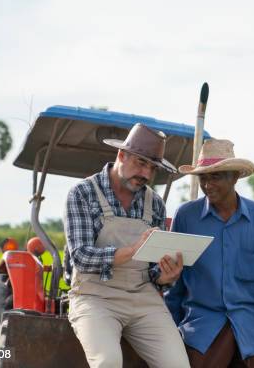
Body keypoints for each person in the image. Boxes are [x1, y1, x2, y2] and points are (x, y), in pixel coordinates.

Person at [64, 123, 190, 368]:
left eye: (152, 168)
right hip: (95, 297)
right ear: (121, 155)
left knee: (178, 365)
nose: (146, 174)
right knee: (108, 362)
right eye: (141, 163)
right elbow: (80, 257)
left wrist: (165, 275)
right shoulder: (82, 193)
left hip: (143, 298)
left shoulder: (154, 203)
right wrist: (133, 251)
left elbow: (153, 270)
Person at [165, 139, 254, 368]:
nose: (208, 185)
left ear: (235, 176)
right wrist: (168, 334)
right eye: (203, 178)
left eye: (216, 176)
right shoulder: (186, 216)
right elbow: (175, 286)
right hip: (200, 329)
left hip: (248, 333)